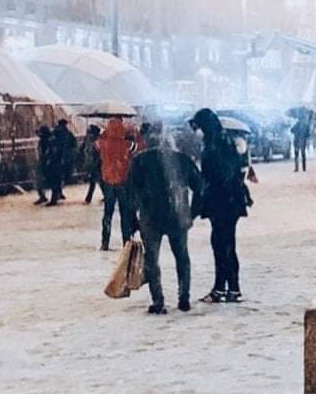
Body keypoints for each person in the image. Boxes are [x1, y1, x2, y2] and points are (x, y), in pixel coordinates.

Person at [128, 126, 203, 314]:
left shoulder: (139, 161)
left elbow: (130, 193)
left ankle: (158, 300)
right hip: (177, 215)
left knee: (152, 260)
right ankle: (184, 296)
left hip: (150, 216)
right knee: (182, 256)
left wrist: (131, 219)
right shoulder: (182, 160)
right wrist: (192, 212)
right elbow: (200, 187)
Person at [191, 108, 251, 303]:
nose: (196, 130)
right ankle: (228, 288)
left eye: (198, 126)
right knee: (224, 244)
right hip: (228, 201)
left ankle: (226, 288)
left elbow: (220, 175)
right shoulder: (221, 140)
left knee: (223, 245)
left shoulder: (216, 144)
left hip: (223, 201)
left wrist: (205, 192)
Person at [97, 117, 137, 251]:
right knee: (124, 213)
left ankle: (105, 241)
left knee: (107, 213)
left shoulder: (102, 143)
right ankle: (126, 241)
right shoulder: (126, 144)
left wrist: (103, 134)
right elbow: (137, 148)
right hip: (123, 181)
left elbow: (96, 145)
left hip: (108, 180)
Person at [44, 119, 77, 205]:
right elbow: (74, 144)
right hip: (64, 159)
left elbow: (51, 144)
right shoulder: (68, 134)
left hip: (56, 159)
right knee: (60, 178)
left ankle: (55, 197)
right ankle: (58, 194)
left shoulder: (56, 133)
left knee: (55, 179)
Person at [81, 124, 102, 203]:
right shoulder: (89, 140)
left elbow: (97, 153)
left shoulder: (96, 142)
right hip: (93, 163)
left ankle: (88, 198)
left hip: (96, 163)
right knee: (99, 181)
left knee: (94, 180)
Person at [33, 125, 51, 205]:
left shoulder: (44, 142)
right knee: (41, 180)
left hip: (43, 161)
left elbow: (42, 153)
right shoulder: (47, 141)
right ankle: (43, 195)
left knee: (39, 180)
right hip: (44, 161)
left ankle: (42, 196)